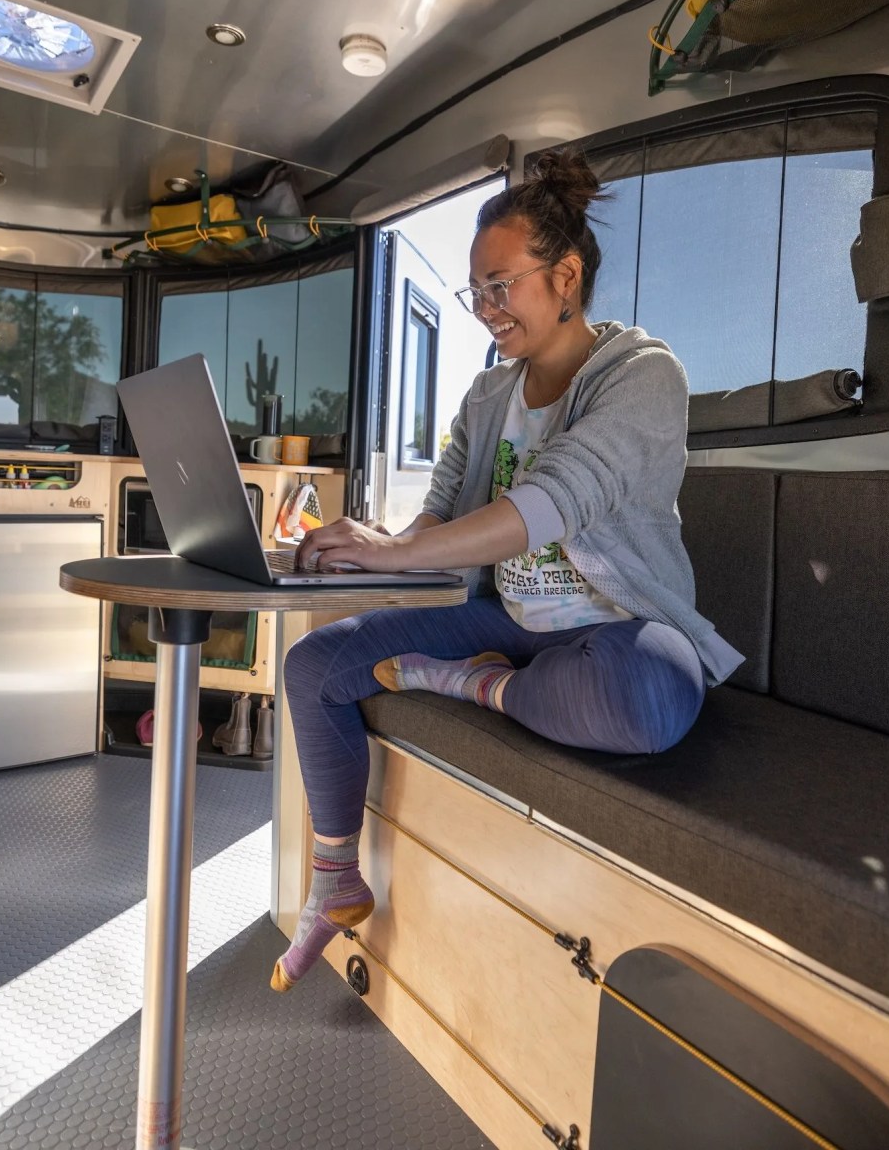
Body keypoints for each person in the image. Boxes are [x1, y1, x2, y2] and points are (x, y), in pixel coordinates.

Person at [271, 150, 743, 992]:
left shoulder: (643, 375)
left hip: (616, 627)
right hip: (509, 620)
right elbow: (440, 516)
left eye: (502, 286)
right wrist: (370, 540)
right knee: (313, 667)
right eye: (476, 291)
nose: (486, 309)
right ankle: (334, 875)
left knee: (646, 698)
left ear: (565, 277)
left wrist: (398, 555)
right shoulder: (487, 396)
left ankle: (470, 686)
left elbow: (556, 501)